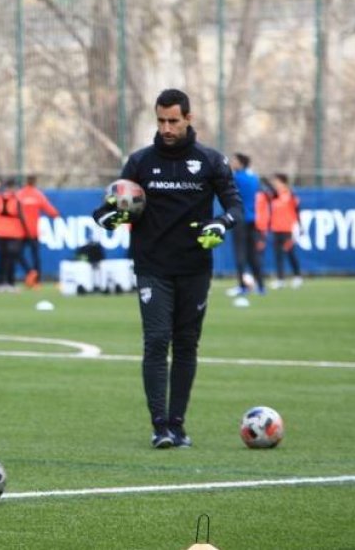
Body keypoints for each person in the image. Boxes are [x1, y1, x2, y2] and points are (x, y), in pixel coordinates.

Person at [94, 88, 242, 449]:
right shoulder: (140, 162)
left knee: (187, 344)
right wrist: (109, 218)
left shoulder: (210, 161)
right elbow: (106, 209)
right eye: (161, 120)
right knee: (157, 340)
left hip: (194, 267)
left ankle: (178, 424)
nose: (166, 128)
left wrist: (220, 224)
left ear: (189, 119)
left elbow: (236, 207)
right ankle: (160, 425)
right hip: (151, 266)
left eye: (173, 120)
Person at [227, 153, 265, 296]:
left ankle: (242, 286)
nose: (232, 163)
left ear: (241, 163)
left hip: (240, 218)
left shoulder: (237, 178)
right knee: (253, 255)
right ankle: (261, 286)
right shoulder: (254, 178)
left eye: (235, 161)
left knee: (240, 254)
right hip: (253, 219)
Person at [17, 175, 60, 288]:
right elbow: (50, 209)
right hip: (33, 231)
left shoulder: (20, 194)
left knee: (18, 254)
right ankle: (37, 280)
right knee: (35, 256)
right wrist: (55, 214)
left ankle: (30, 272)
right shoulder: (37, 194)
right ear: (35, 182)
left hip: (21, 231)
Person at [266, 173, 303, 289]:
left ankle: (297, 276)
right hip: (276, 228)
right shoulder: (273, 196)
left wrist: (299, 226)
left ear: (283, 182)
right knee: (278, 255)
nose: (274, 184)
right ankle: (280, 279)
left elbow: (297, 211)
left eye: (276, 181)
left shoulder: (290, 194)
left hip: (288, 229)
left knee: (290, 253)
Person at [0, 179, 27, 292]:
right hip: (13, 233)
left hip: (0, 232)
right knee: (10, 259)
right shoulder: (15, 200)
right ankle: (10, 283)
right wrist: (26, 231)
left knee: (1, 259)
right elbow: (21, 216)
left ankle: (0, 283)